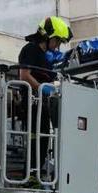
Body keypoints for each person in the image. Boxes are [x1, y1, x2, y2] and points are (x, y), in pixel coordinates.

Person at [18, 17, 72, 180]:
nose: (58, 46)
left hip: (43, 104)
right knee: (36, 140)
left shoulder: (47, 57)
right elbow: (24, 75)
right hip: (32, 103)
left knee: (43, 141)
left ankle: (35, 173)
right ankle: (30, 176)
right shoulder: (30, 50)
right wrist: (43, 90)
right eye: (58, 41)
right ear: (49, 37)